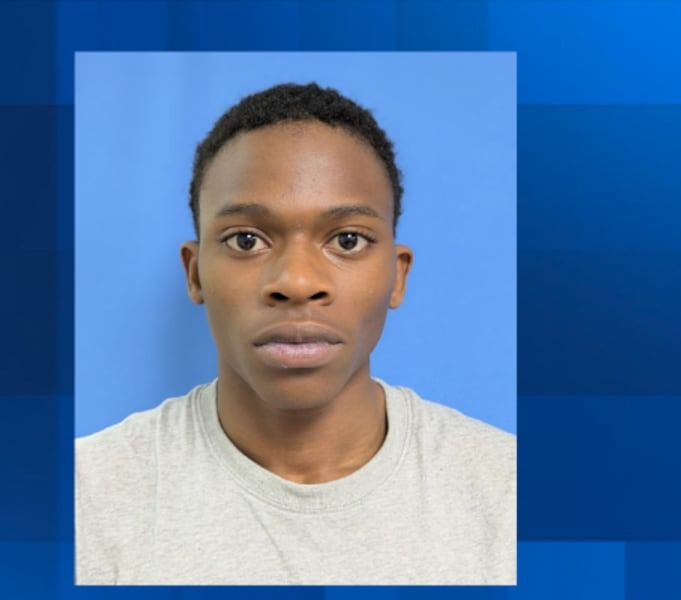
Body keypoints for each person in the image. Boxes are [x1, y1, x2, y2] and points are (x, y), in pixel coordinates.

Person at [75, 82, 516, 585]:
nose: (298, 282)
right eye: (246, 240)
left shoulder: (508, 492)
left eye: (347, 240)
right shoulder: (86, 497)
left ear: (397, 276)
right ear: (195, 274)